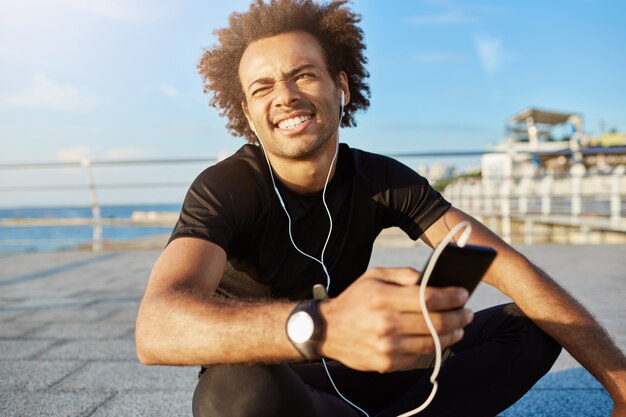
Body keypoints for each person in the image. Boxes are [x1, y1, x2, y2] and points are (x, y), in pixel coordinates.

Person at [135, 1, 626, 416]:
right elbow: (156, 326)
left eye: (302, 75)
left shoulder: (381, 178)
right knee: (234, 389)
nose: (284, 96)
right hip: (282, 387)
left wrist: (619, 384)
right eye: (262, 87)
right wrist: (323, 327)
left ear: (341, 88)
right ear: (246, 113)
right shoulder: (225, 188)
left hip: (371, 370)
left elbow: (503, 265)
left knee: (531, 325)